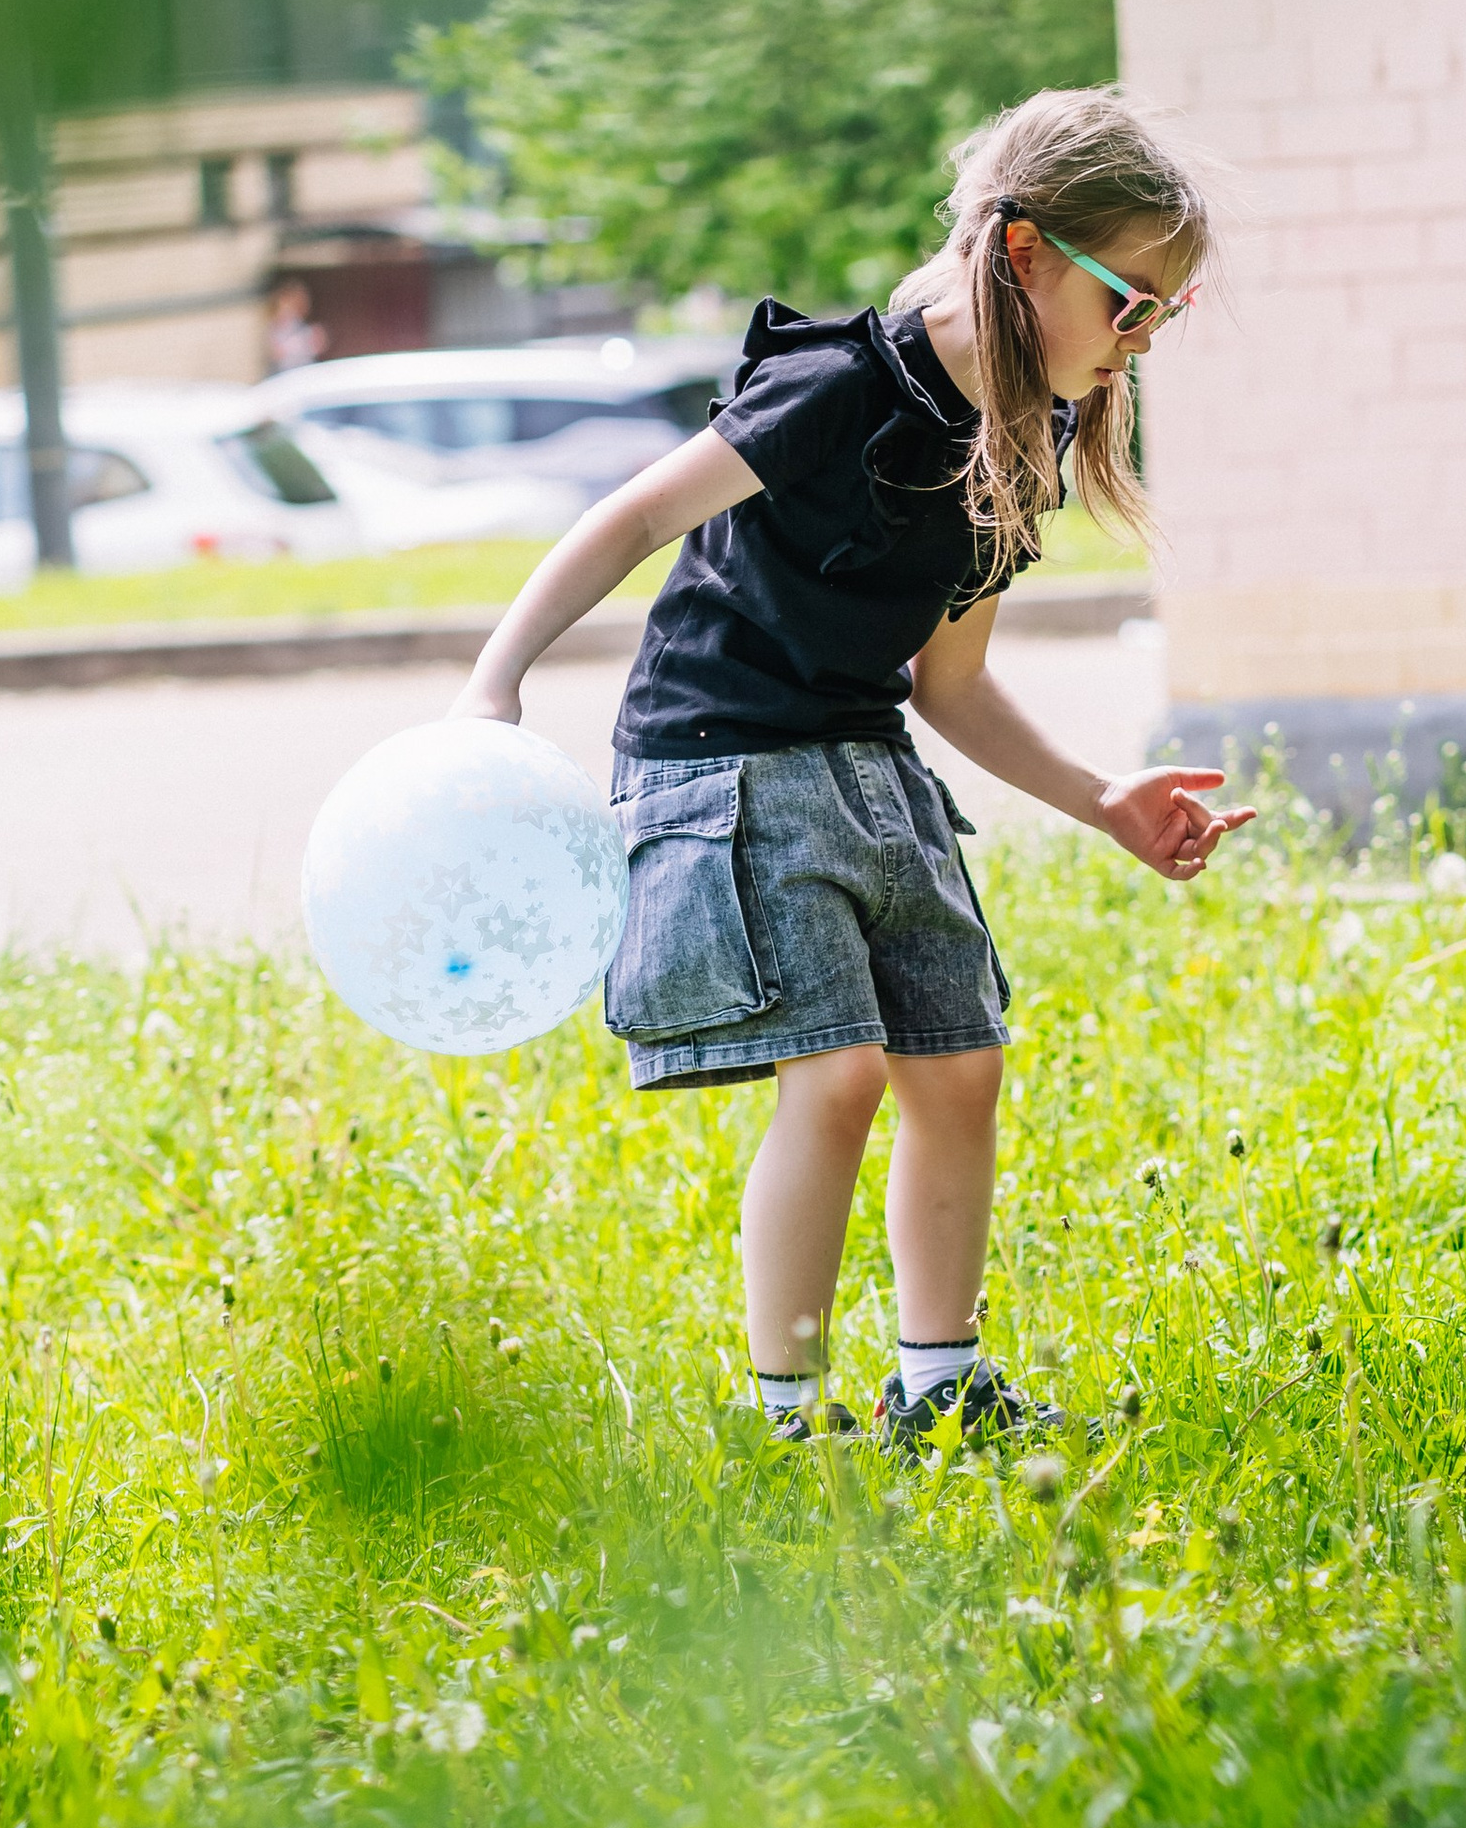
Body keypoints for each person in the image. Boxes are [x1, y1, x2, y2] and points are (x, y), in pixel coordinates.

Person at [452, 90, 1251, 1446]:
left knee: (960, 1067)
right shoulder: (840, 388)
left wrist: (1108, 803)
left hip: (860, 751)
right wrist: (498, 675)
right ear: (1023, 254)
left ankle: (939, 1388)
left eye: (1165, 315)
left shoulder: (1025, 438)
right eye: (1131, 303)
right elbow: (641, 514)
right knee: (839, 1075)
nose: (1145, 339)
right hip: (723, 755)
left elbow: (950, 682)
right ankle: (784, 1416)